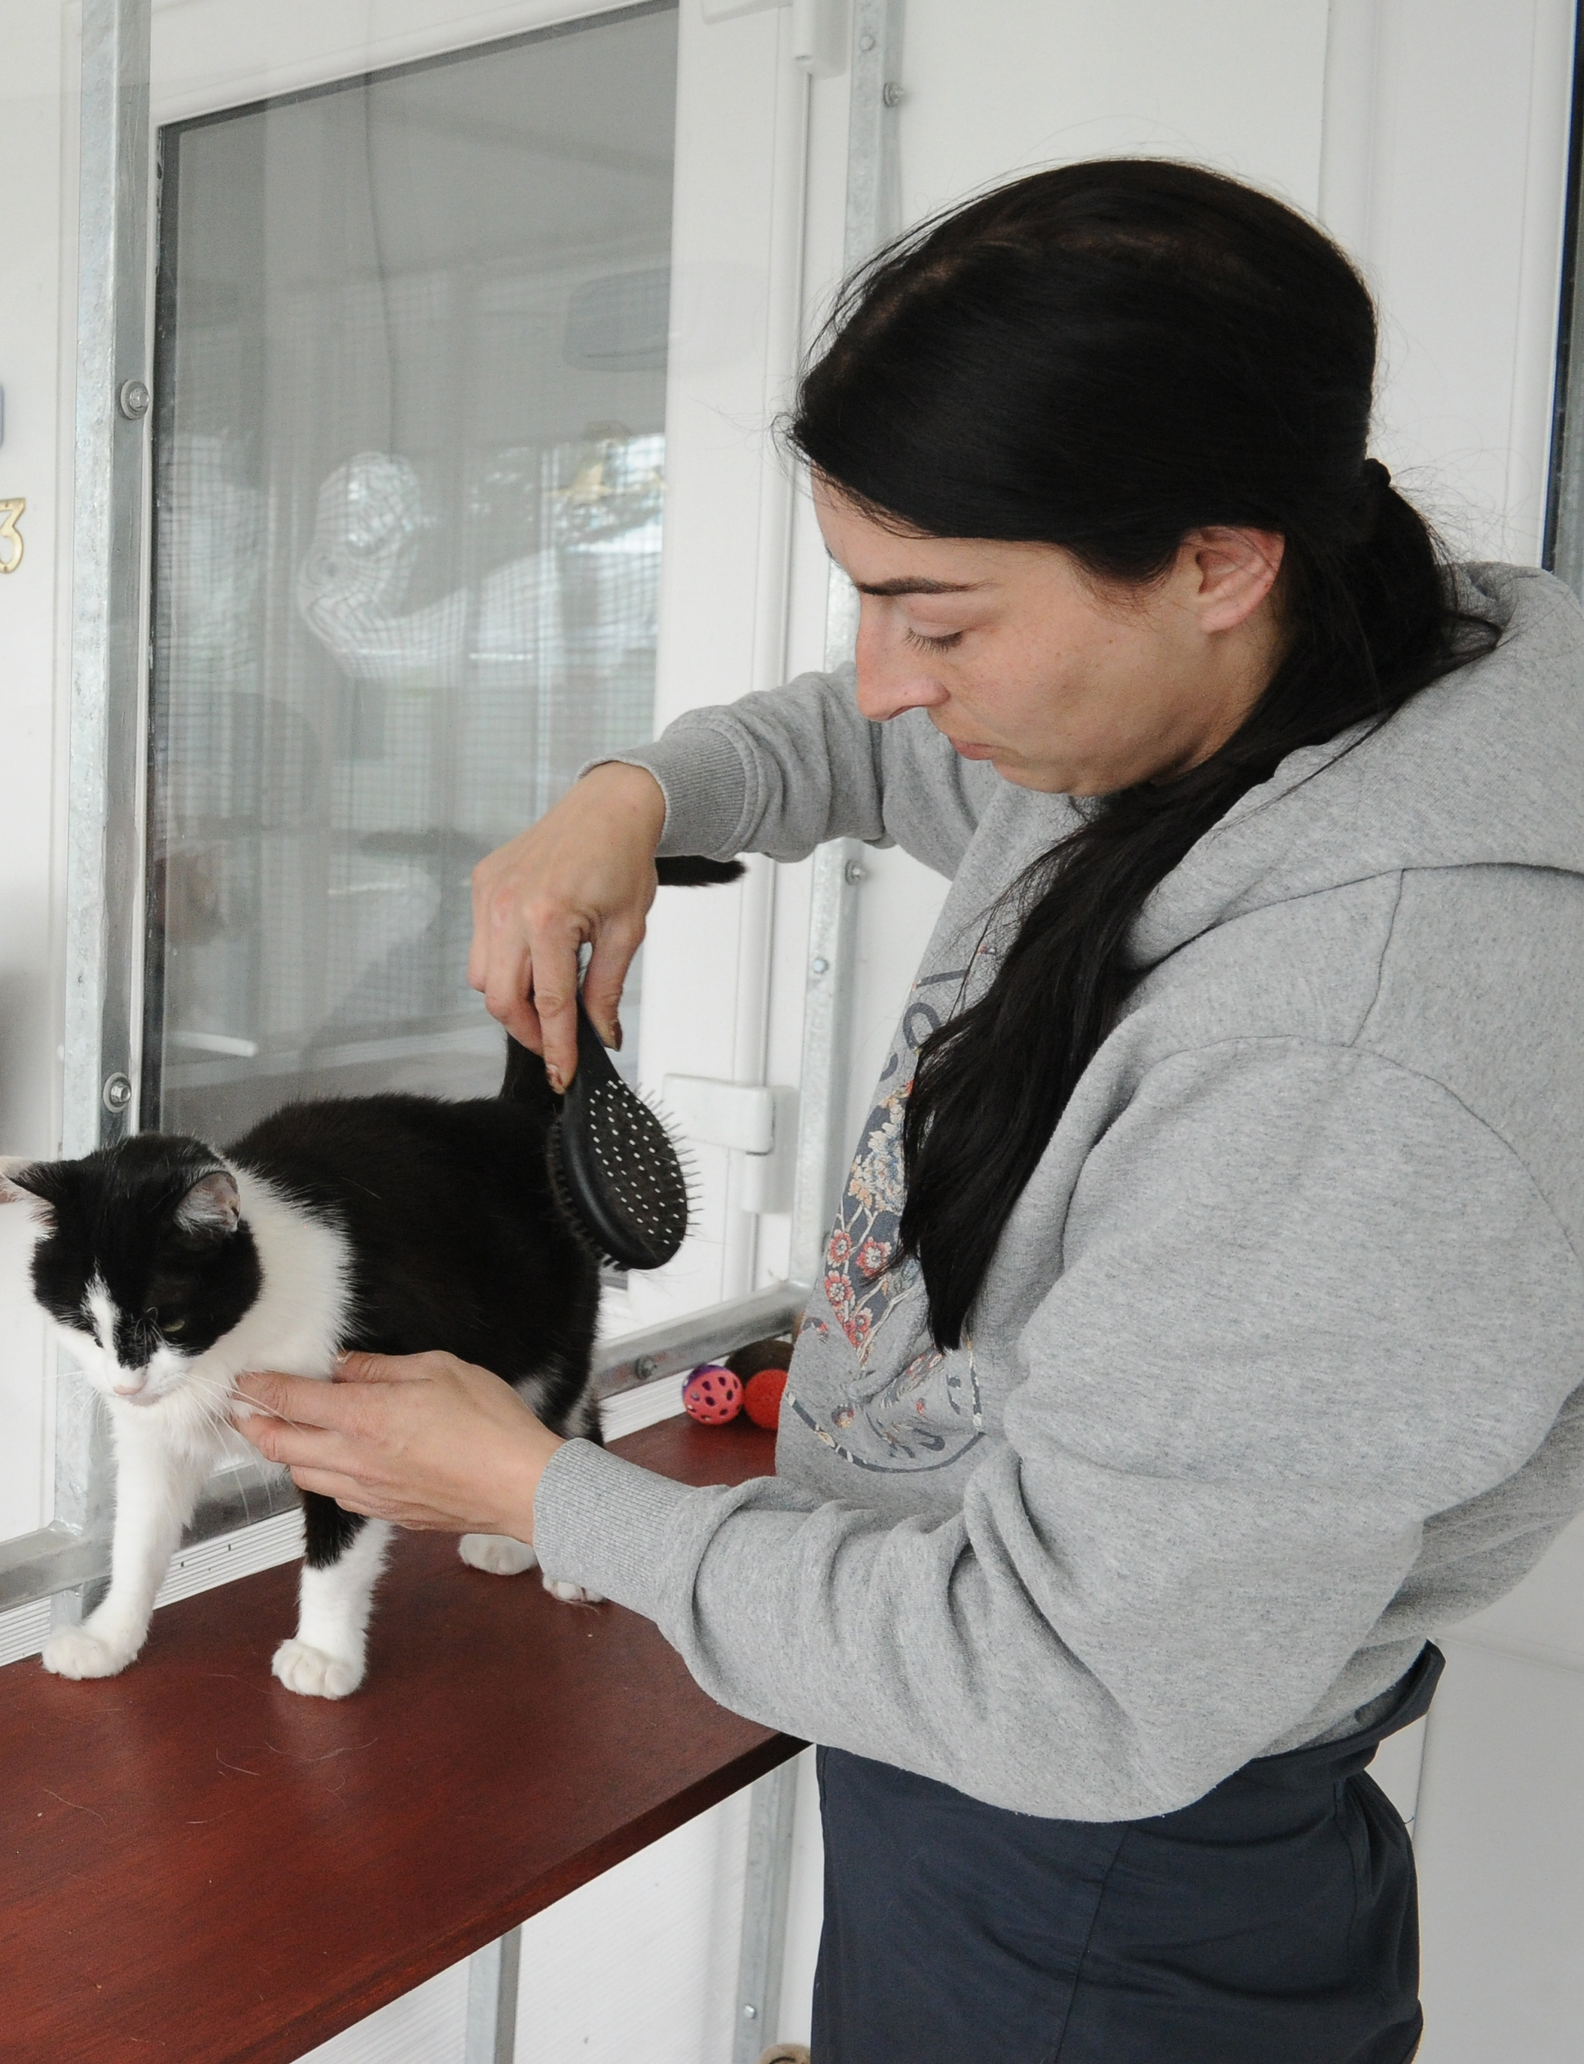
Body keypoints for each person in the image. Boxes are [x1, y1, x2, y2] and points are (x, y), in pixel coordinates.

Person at [234, 159, 1584, 2062]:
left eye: (936, 624)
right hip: (985, 1760)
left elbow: (1069, 1687)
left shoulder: (1358, 1064)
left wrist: (535, 1491)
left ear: (1216, 560)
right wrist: (635, 795)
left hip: (1098, 1866)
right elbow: (825, 748)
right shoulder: (1237, 718)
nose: (883, 689)